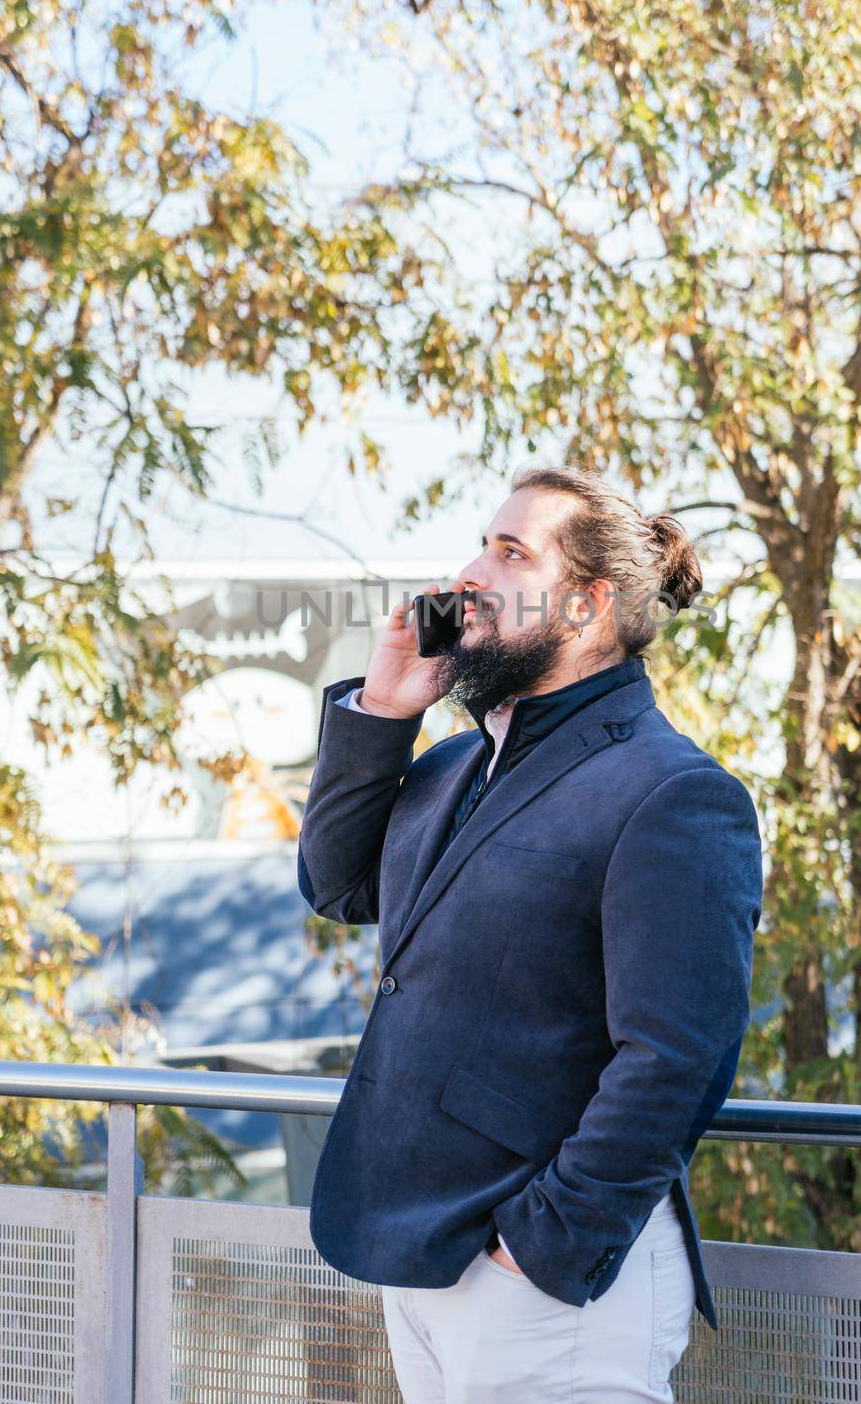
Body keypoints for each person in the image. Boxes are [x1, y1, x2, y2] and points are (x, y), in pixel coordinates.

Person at [297, 463, 764, 1403]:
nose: (469, 570)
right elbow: (339, 885)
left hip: (544, 1282)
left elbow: (677, 1055)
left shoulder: (673, 792)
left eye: (509, 551)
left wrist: (544, 1244)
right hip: (426, 1253)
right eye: (482, 542)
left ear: (588, 606)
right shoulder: (454, 763)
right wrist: (387, 709)